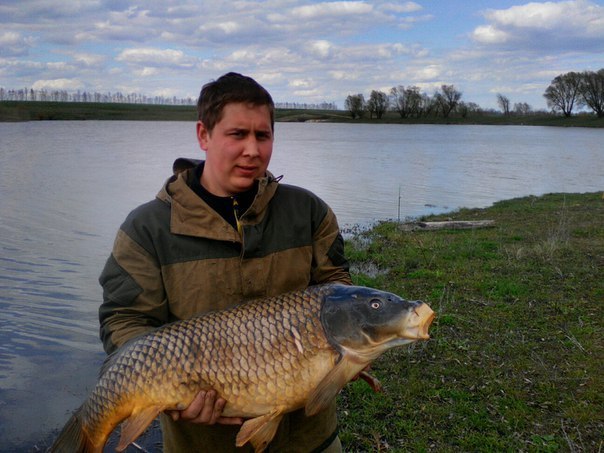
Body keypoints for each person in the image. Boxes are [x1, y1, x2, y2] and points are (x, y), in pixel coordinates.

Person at [98, 72, 352, 452]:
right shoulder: (147, 228)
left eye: (262, 136)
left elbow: (339, 291)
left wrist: (354, 353)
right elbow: (124, 319)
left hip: (307, 438)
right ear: (204, 135)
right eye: (237, 134)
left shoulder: (309, 212)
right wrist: (169, 382)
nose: (252, 150)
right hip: (200, 441)